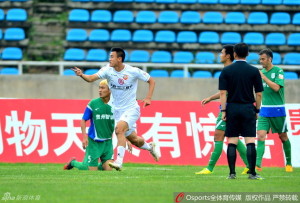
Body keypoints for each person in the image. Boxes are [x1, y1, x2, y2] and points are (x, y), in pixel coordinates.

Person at [71, 47, 159, 171]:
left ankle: (118, 162)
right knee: (134, 139)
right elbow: (91, 78)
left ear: (119, 58)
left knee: (119, 130)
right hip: (117, 111)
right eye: (109, 56)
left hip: (131, 109)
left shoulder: (133, 71)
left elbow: (151, 81)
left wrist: (148, 97)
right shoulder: (107, 70)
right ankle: (150, 147)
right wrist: (81, 75)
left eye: (112, 56)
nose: (109, 59)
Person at [195, 45, 249, 175]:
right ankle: (249, 165)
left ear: (228, 56)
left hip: (228, 109)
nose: (220, 55)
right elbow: (225, 91)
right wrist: (211, 98)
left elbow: (225, 92)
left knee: (218, 136)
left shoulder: (228, 71)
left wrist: (223, 109)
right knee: (233, 137)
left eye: (222, 53)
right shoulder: (234, 70)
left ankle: (209, 168)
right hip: (236, 108)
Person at [219, 43, 264, 180]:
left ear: (234, 54)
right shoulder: (254, 71)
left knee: (232, 141)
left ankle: (232, 173)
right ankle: (252, 173)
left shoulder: (226, 71)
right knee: (250, 141)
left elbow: (222, 93)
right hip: (247, 107)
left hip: (232, 107)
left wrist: (223, 110)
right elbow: (259, 94)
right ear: (248, 54)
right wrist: (257, 109)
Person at [64, 79, 123, 171]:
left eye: (103, 88)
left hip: (107, 142)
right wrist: (84, 137)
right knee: (91, 170)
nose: (100, 90)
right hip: (94, 142)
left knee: (108, 169)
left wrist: (128, 139)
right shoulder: (93, 104)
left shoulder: (116, 104)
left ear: (110, 90)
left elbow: (123, 121)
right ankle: (73, 163)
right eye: (99, 88)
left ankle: (99, 165)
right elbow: (83, 120)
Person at [256, 48, 293, 172]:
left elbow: (276, 88)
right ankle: (257, 166)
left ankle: (288, 163)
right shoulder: (260, 73)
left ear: (270, 59)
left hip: (277, 109)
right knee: (261, 135)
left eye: (263, 59)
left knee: (283, 136)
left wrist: (263, 77)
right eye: (260, 59)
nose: (261, 61)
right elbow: (259, 92)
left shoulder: (278, 71)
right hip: (264, 110)